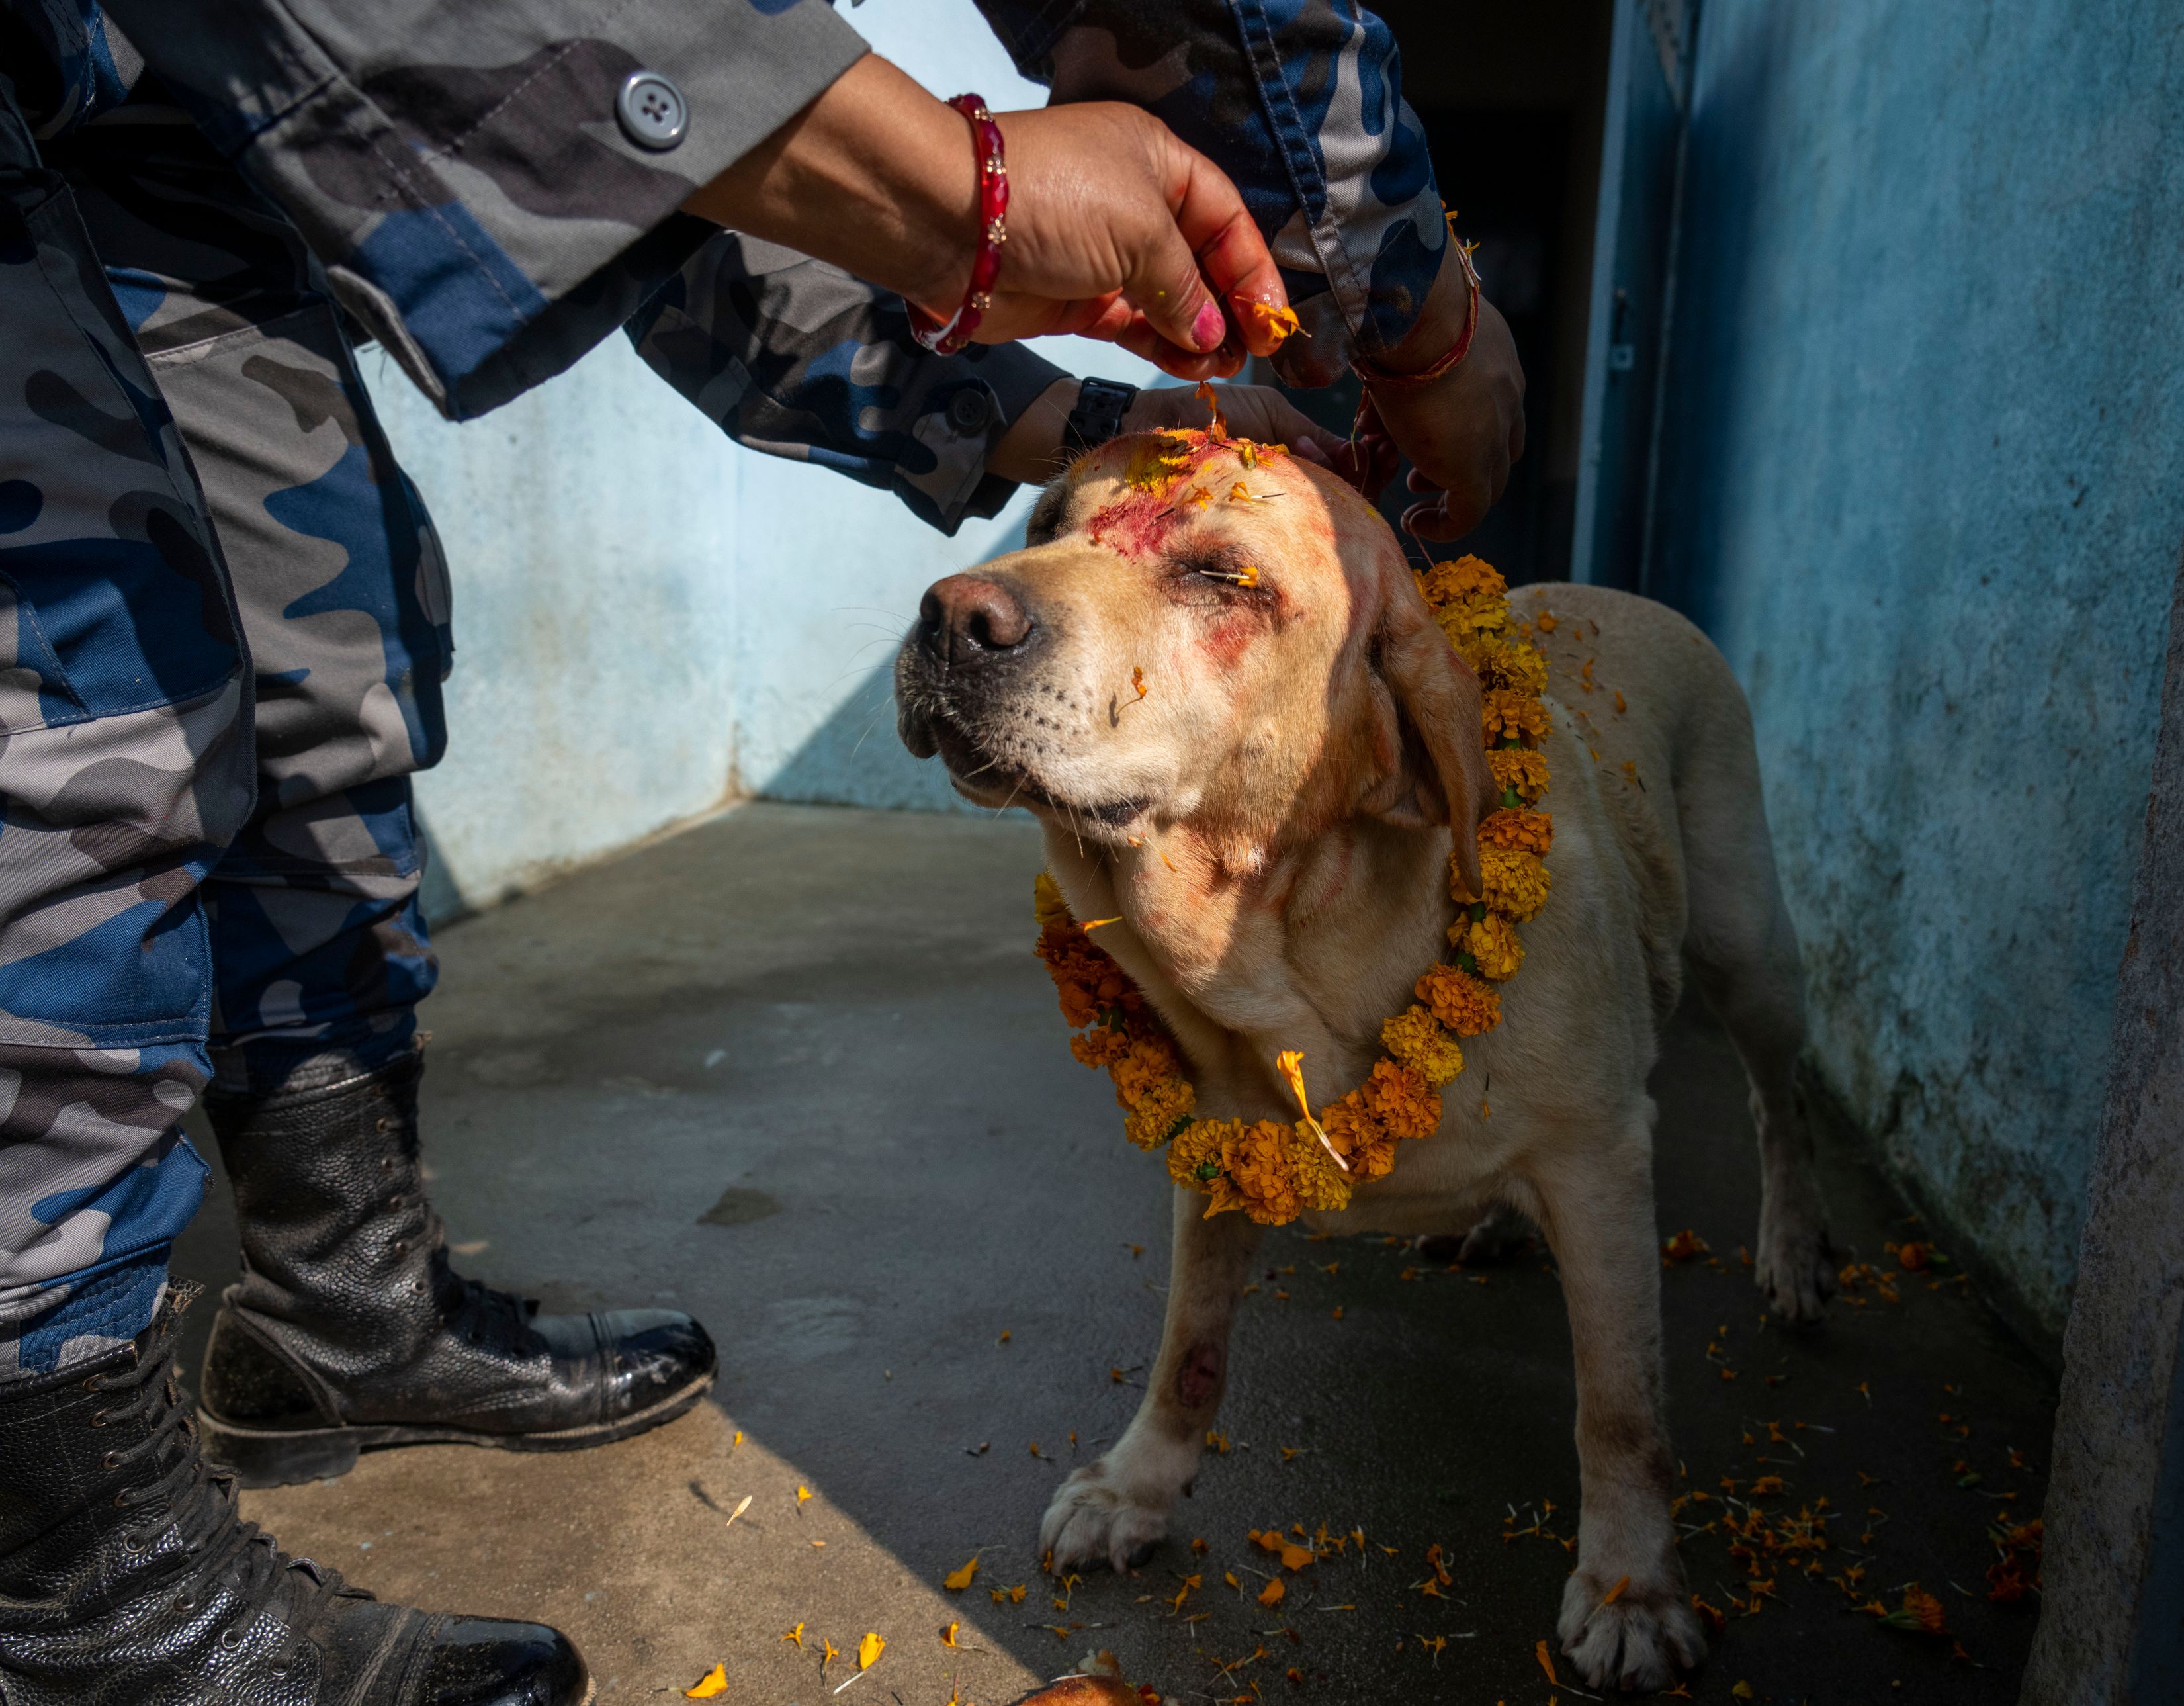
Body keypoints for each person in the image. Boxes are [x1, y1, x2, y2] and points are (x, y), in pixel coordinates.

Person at [0, 3, 1523, 1702]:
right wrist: (996, 196)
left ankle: (343, 1306)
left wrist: (1064, 376)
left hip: (168, 146)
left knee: (317, 652)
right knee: (77, 694)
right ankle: (83, 1576)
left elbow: (657, 204)